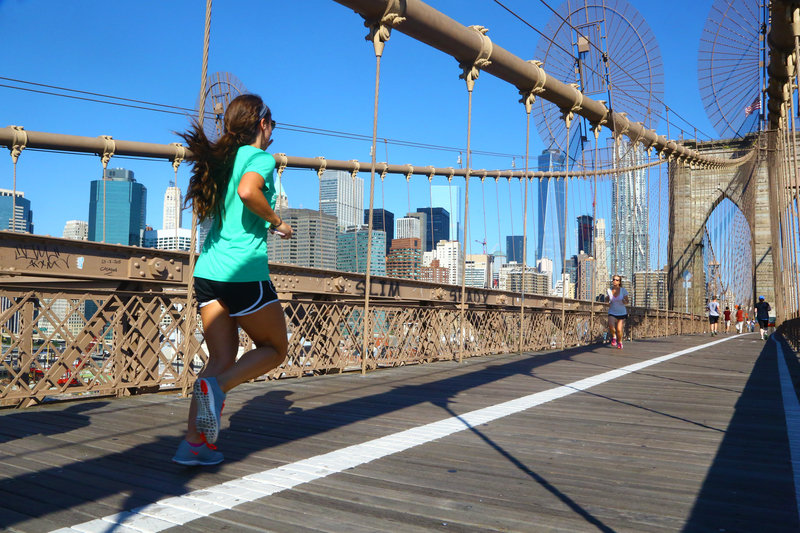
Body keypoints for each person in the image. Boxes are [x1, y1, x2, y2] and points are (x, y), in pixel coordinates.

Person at [171, 94, 293, 466]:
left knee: (221, 357)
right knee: (276, 348)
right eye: (272, 122)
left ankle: (193, 445)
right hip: (243, 272)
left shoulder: (224, 161)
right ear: (261, 123)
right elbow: (247, 191)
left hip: (208, 273)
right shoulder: (260, 158)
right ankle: (219, 388)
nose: (274, 130)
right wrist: (276, 222)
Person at [606, 275, 629, 350]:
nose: (615, 281)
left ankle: (620, 342)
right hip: (612, 311)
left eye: (617, 280)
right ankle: (614, 337)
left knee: (619, 329)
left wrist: (624, 301)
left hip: (621, 312)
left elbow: (627, 301)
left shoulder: (623, 290)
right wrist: (607, 298)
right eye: (614, 279)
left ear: (619, 282)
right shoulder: (609, 290)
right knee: (611, 325)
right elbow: (607, 301)